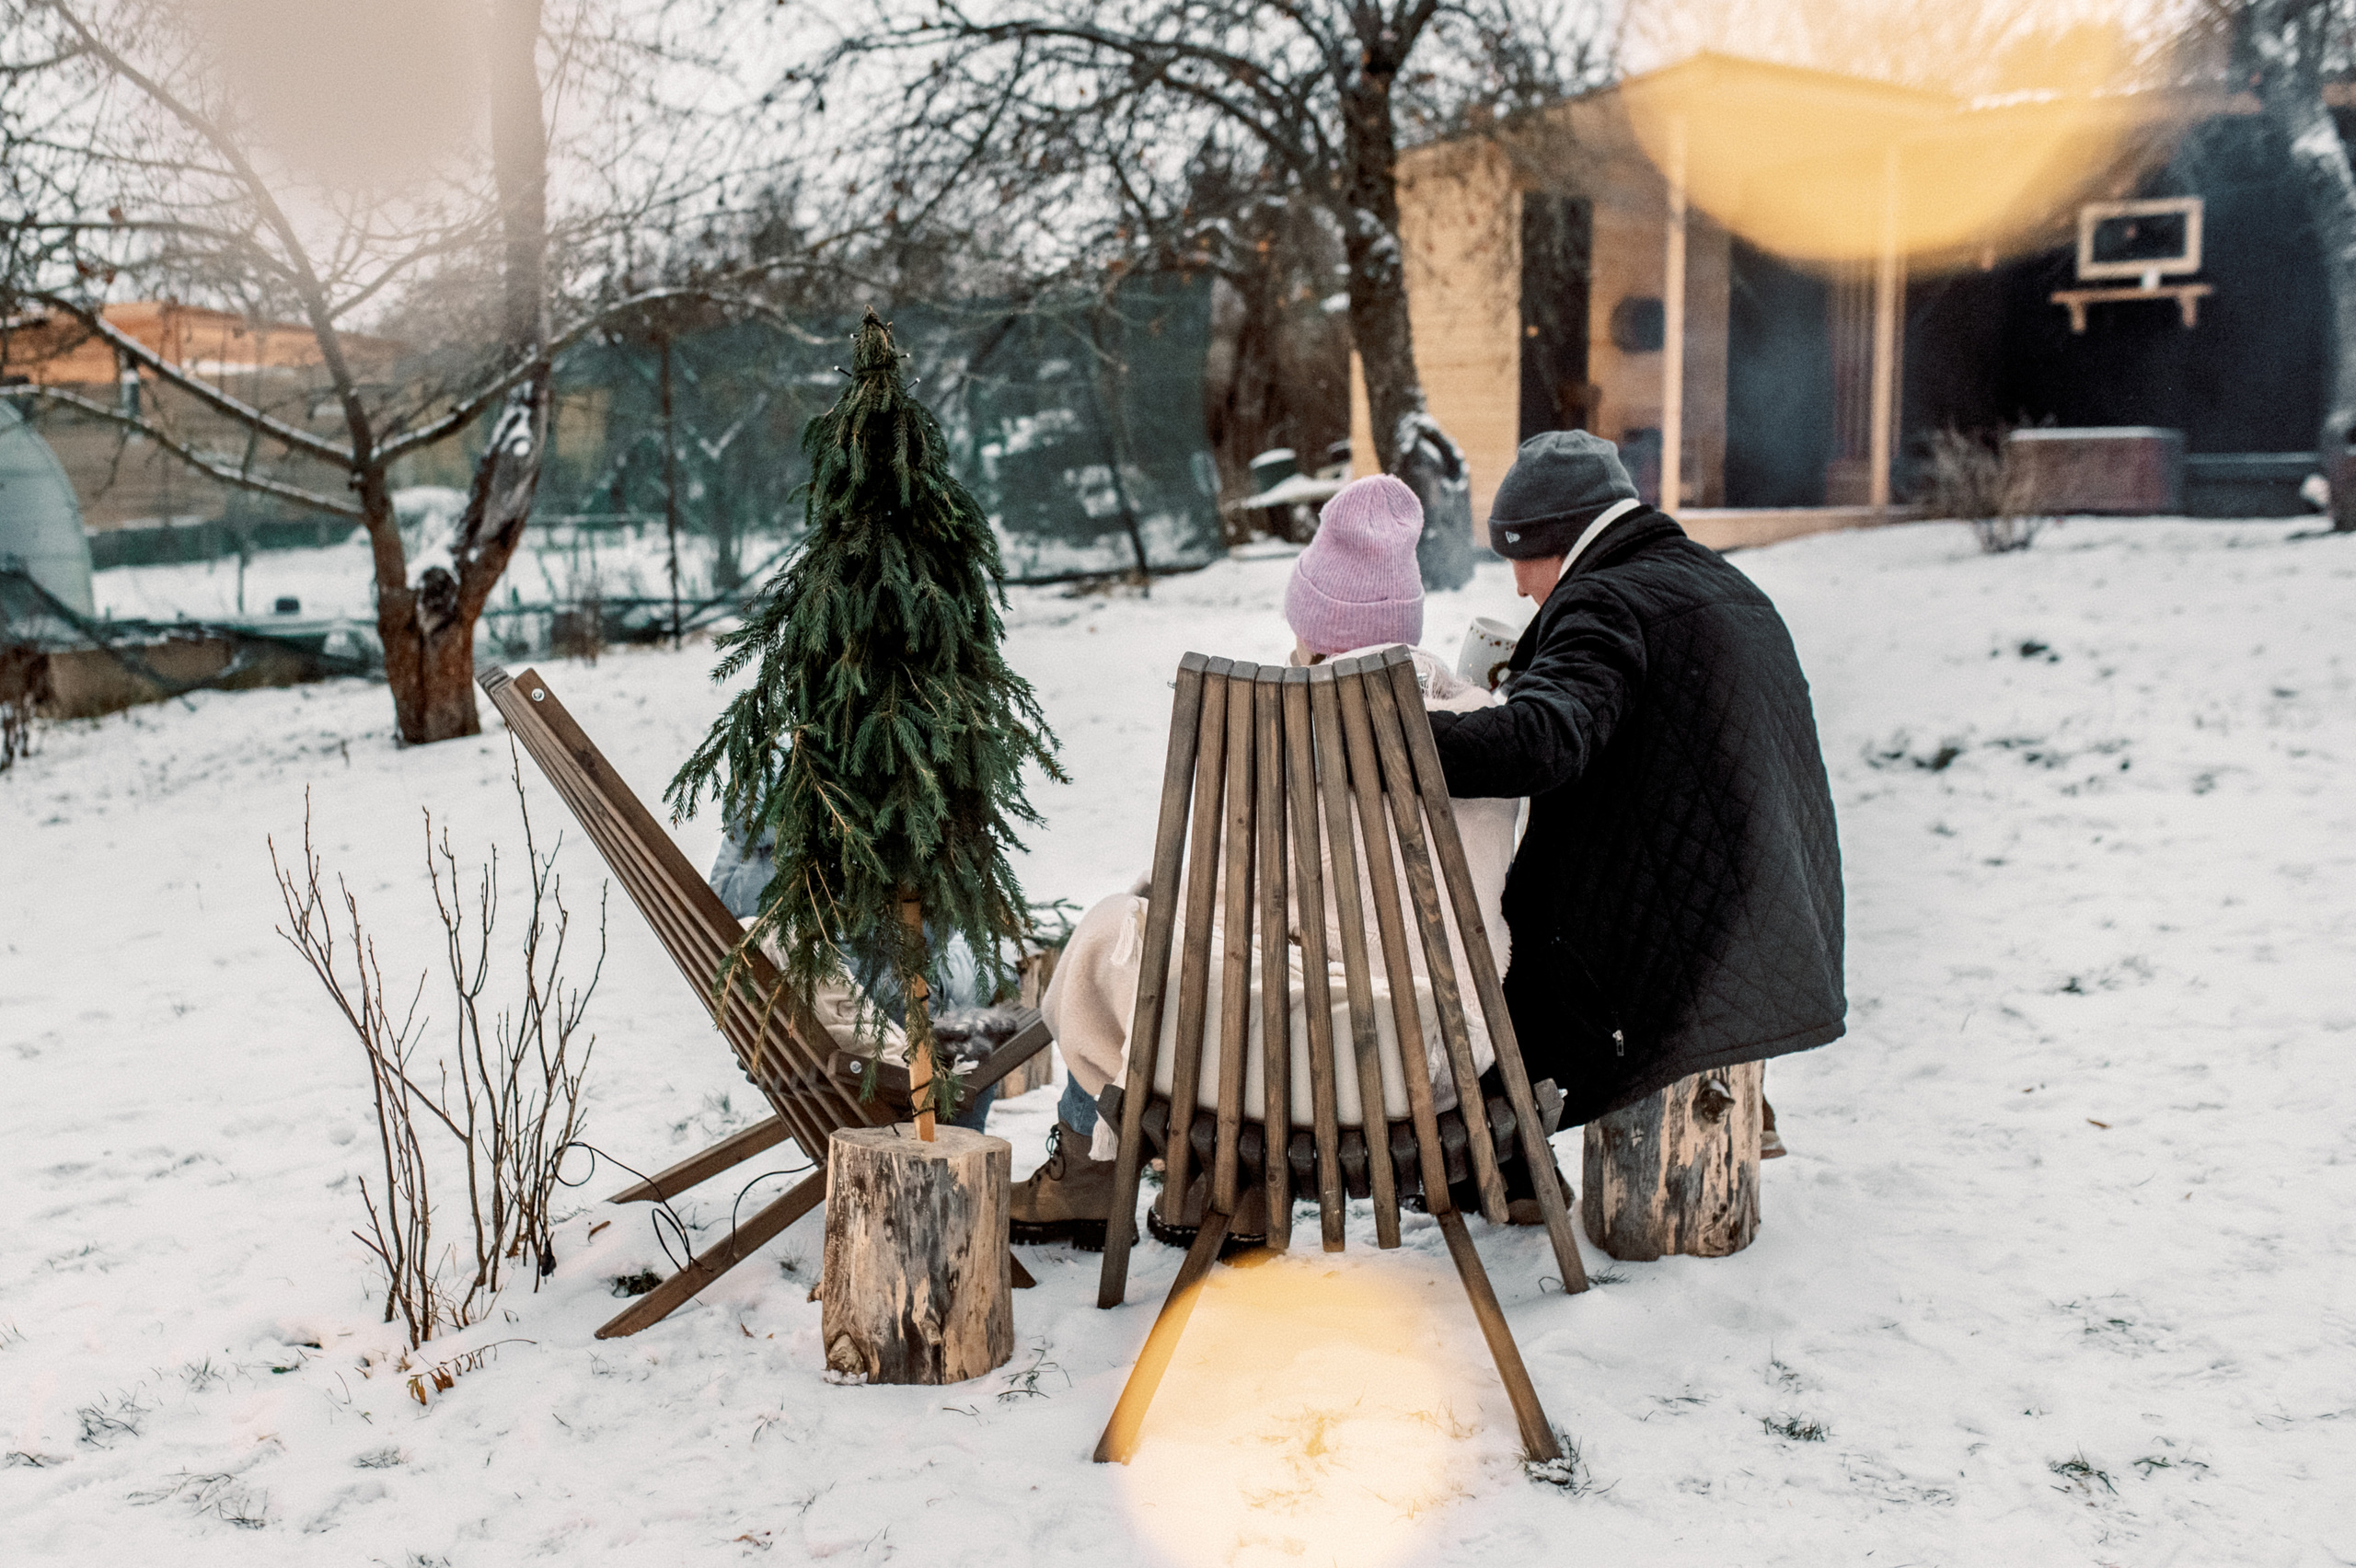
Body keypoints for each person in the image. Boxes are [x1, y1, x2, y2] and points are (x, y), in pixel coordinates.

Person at [1014, 474, 1525, 1247]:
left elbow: (1219, 916)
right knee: (1263, 975)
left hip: (1289, 1076)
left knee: (1121, 935)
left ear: (1316, 632)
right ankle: (1225, 1191)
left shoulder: (1273, 728)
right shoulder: (1490, 732)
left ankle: (1107, 1175)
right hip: (1437, 1062)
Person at [1420, 429, 1844, 1136]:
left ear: (1561, 538)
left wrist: (1393, 731)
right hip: (1771, 934)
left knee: (1490, 961)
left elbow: (1544, 740)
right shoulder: (1722, 582)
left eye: (1521, 558)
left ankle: (1492, 1156)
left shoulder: (1604, 603)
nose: (1519, 585)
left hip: (1677, 964)